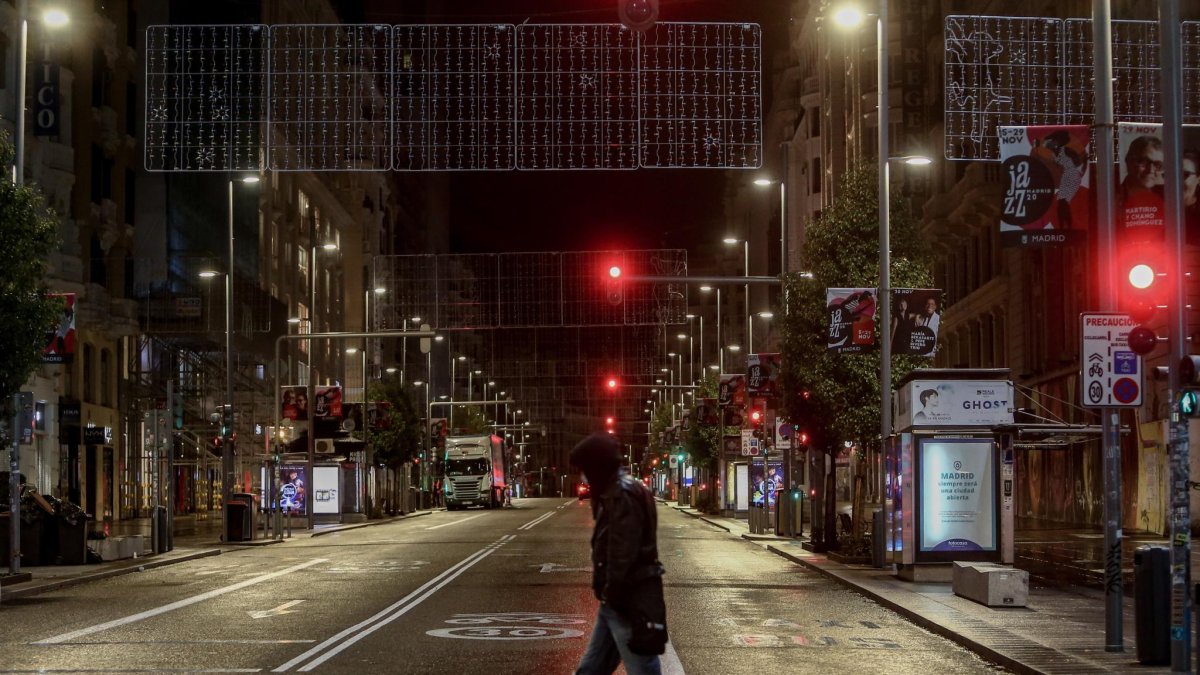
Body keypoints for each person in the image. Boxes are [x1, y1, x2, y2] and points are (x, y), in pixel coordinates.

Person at [571, 433, 667, 675]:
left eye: (585, 469)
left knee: (642, 668)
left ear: (597, 466)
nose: (583, 476)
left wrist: (614, 590)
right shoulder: (620, 490)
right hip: (615, 600)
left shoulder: (622, 495)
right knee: (591, 669)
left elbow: (623, 551)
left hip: (627, 599)